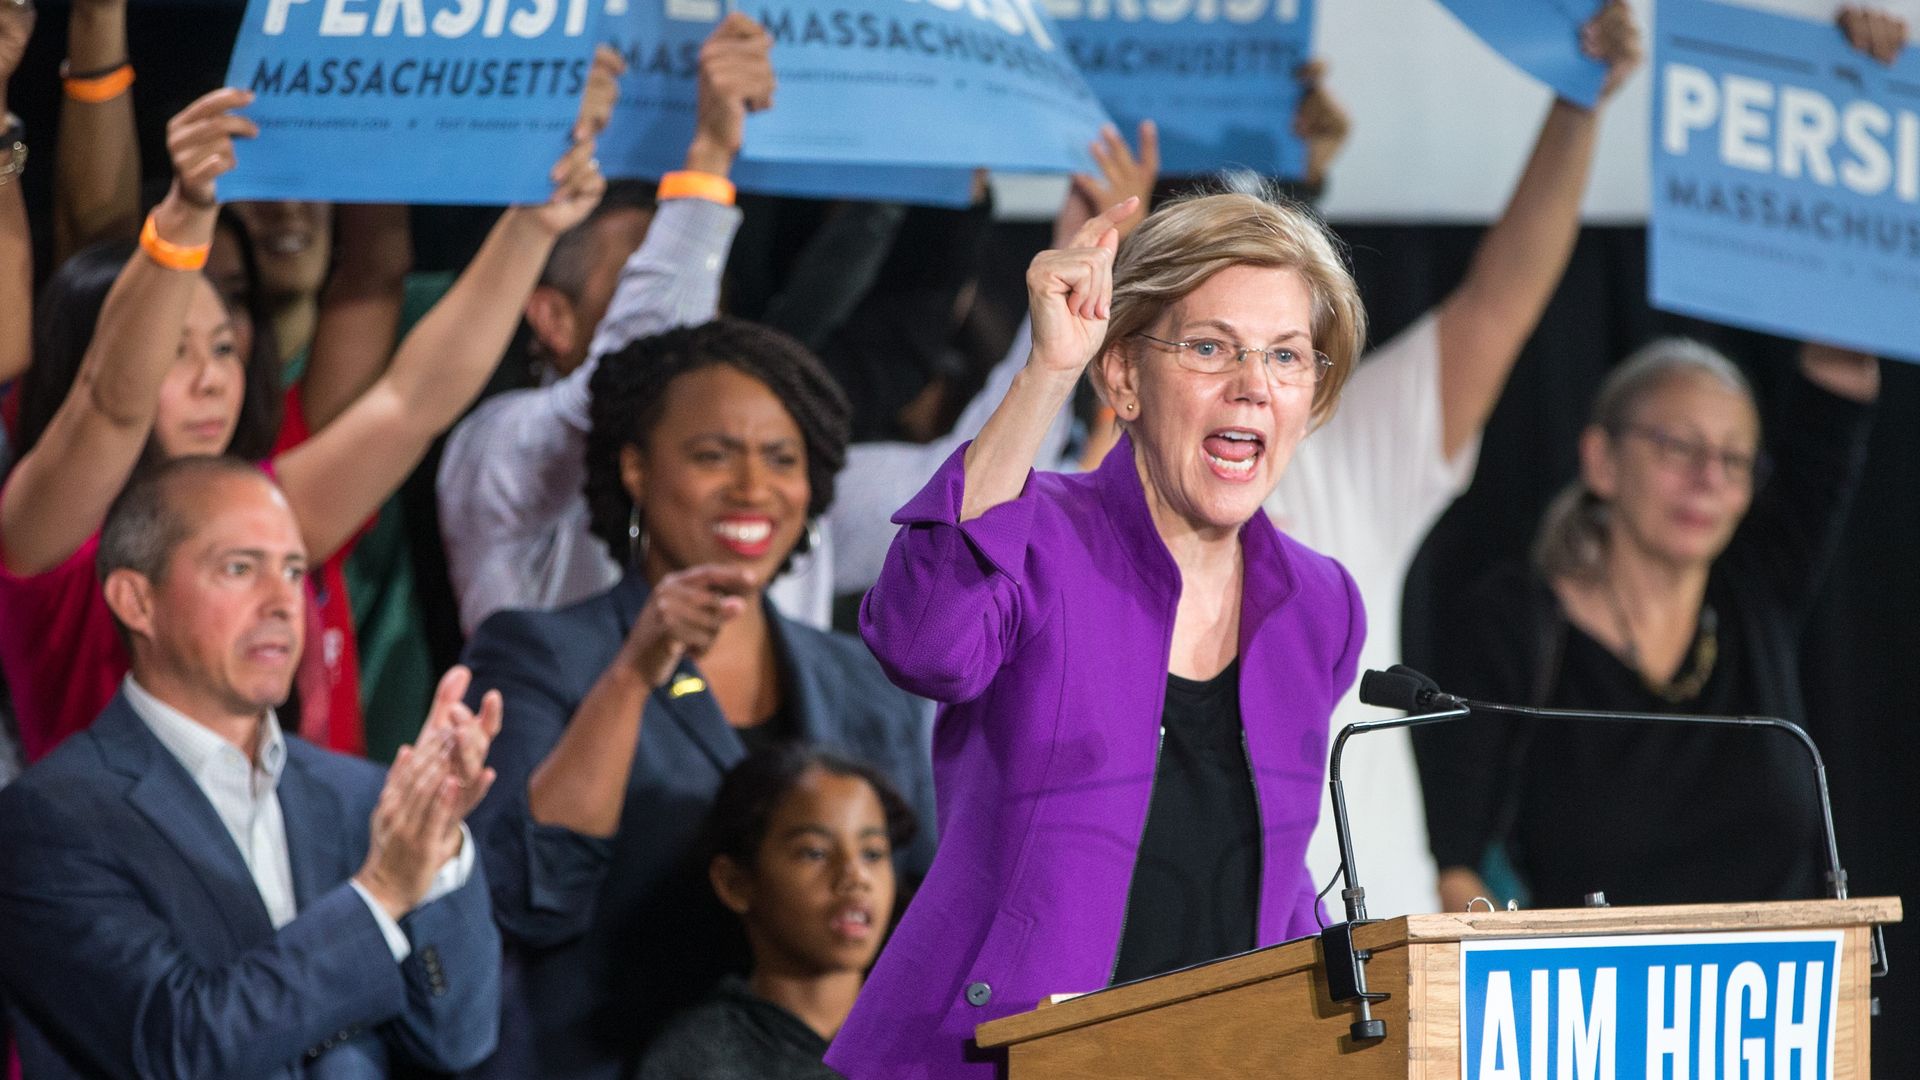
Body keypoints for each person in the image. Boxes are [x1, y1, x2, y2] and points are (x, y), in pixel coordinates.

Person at [829, 189, 1368, 1077]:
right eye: (1209, 348)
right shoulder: (1033, 531)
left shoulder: (1321, 603)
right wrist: (1047, 372)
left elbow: (1270, 865)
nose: (1253, 386)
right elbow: (922, 644)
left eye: (1286, 356)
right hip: (995, 1056)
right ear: (1122, 377)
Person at [0, 52, 620, 763]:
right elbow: (110, 407)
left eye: (224, 349)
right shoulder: (43, 531)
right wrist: (187, 213)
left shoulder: (264, 502)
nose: (212, 379)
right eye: (175, 352)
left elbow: (413, 399)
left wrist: (534, 224)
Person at [461, 316, 937, 1080]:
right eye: (713, 456)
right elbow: (522, 898)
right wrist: (633, 674)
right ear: (636, 470)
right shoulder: (541, 656)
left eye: (781, 459)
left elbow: (918, 916)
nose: (752, 487)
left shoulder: (865, 682)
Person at [0, 457, 503, 1077]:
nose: (282, 602)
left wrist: (438, 842)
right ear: (136, 600)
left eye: (294, 571)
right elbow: (179, 1049)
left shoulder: (362, 796)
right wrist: (382, 894)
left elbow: (459, 1039)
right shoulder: (52, 819)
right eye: (239, 569)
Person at [1415, 339, 1879, 910]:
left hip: (1777, 992)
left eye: (1734, 459)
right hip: (1586, 993)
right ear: (1602, 461)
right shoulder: (1516, 624)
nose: (1709, 477)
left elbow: (1836, 399)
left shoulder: (1757, 592)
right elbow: (1454, 868)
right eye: (1678, 446)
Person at [437, 13, 797, 637]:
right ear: (552, 316)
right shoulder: (494, 448)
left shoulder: (777, 494)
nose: (695, 306)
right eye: (642, 275)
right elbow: (636, 372)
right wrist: (709, 155)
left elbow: (948, 476)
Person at [636, 744, 917, 1080]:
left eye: (872, 854)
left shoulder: (930, 1032)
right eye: (814, 853)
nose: (855, 877)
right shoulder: (699, 1058)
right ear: (735, 883)